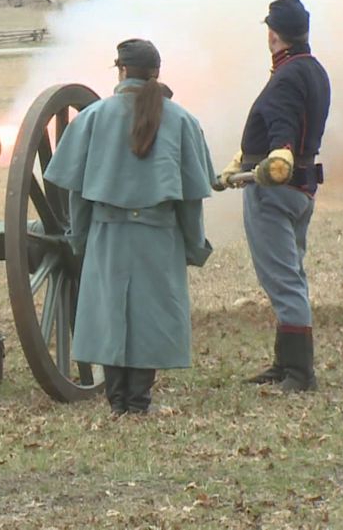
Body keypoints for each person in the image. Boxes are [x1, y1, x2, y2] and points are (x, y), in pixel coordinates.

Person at [45, 39, 216, 415]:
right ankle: (138, 400)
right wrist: (193, 243)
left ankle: (117, 399)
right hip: (158, 233)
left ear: (120, 70)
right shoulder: (183, 120)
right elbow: (190, 200)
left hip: (107, 232)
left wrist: (80, 237)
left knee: (110, 311)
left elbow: (77, 194)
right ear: (156, 72)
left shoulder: (92, 118)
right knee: (151, 314)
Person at [215, 0, 330, 392]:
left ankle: (299, 373)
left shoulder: (286, 77)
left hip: (275, 192)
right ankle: (285, 363)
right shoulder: (313, 70)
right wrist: (239, 163)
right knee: (290, 273)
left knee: (282, 279)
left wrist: (271, 162)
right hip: (302, 189)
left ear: (274, 34)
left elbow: (282, 132)